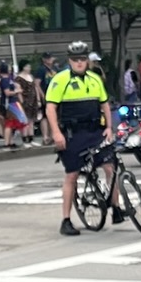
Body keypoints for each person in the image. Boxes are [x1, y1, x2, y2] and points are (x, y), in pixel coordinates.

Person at [45, 39, 113, 236]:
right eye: (75, 60)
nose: (79, 63)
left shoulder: (94, 79)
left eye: (82, 59)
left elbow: (105, 104)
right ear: (69, 61)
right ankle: (66, 220)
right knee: (72, 175)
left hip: (94, 131)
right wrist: (56, 133)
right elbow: (50, 108)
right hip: (72, 134)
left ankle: (115, 206)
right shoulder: (60, 79)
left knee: (110, 166)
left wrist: (109, 127)